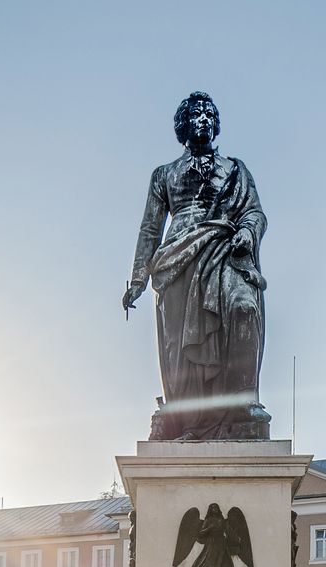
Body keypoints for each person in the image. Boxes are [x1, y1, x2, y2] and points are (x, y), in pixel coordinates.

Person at [122, 92, 271, 441]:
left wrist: (248, 232)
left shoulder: (236, 170)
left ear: (216, 124)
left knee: (244, 308)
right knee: (181, 350)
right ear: (182, 125)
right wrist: (137, 279)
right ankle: (189, 420)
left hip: (225, 250)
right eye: (194, 114)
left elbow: (255, 212)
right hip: (178, 261)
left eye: (208, 114)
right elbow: (149, 228)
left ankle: (241, 407)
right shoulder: (164, 174)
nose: (202, 119)